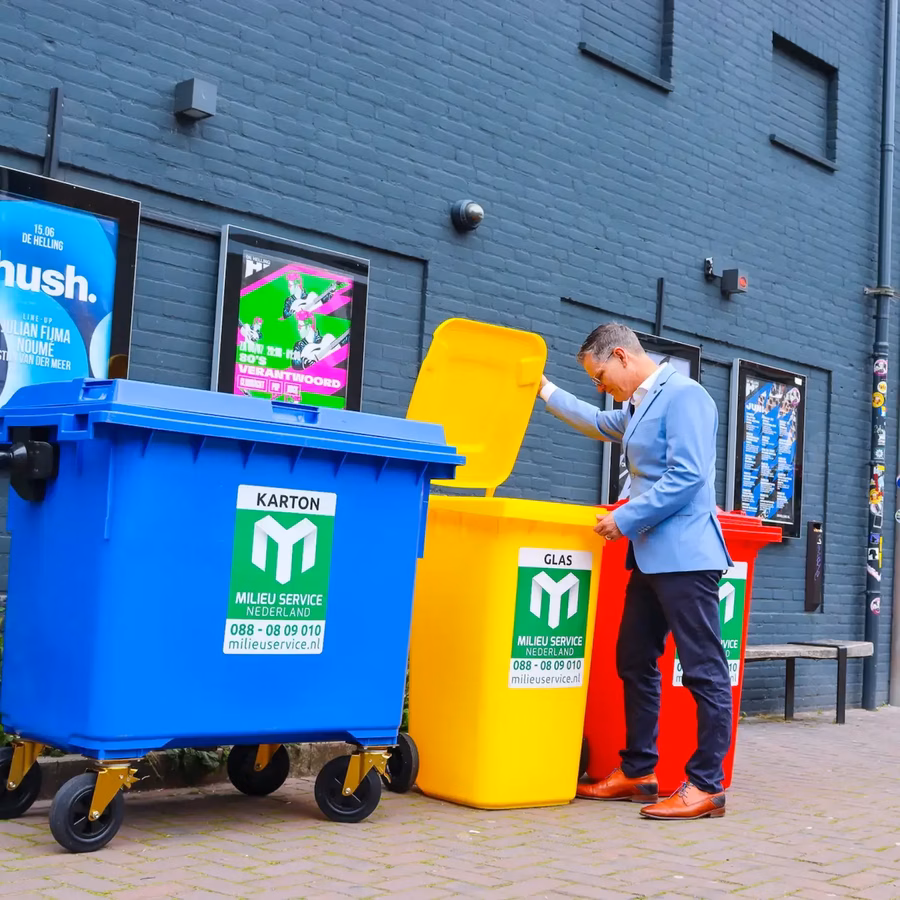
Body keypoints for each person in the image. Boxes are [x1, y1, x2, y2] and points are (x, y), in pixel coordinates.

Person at [538, 323, 733, 820]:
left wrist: (624, 518)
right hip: (652, 557)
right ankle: (640, 771)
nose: (600, 386)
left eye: (600, 375)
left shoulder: (685, 396)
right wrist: (543, 389)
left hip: (686, 557)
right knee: (633, 659)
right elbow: (601, 423)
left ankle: (707, 785)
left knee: (704, 670)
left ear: (622, 356)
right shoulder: (641, 402)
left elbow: (688, 476)